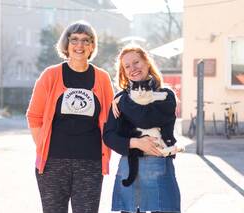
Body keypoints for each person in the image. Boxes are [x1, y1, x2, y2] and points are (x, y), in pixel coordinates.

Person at [25, 20, 114, 213]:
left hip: (90, 162)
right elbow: (34, 116)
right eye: (74, 40)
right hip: (53, 164)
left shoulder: (102, 78)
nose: (79, 45)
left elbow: (111, 119)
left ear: (92, 46)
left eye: (85, 40)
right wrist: (43, 147)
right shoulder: (51, 75)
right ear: (66, 44)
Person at [103, 45, 181, 213]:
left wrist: (123, 100)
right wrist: (135, 142)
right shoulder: (119, 99)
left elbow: (144, 118)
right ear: (123, 72)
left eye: (136, 62)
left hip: (159, 166)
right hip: (129, 167)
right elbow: (109, 136)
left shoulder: (166, 95)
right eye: (127, 66)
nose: (133, 68)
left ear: (147, 63)